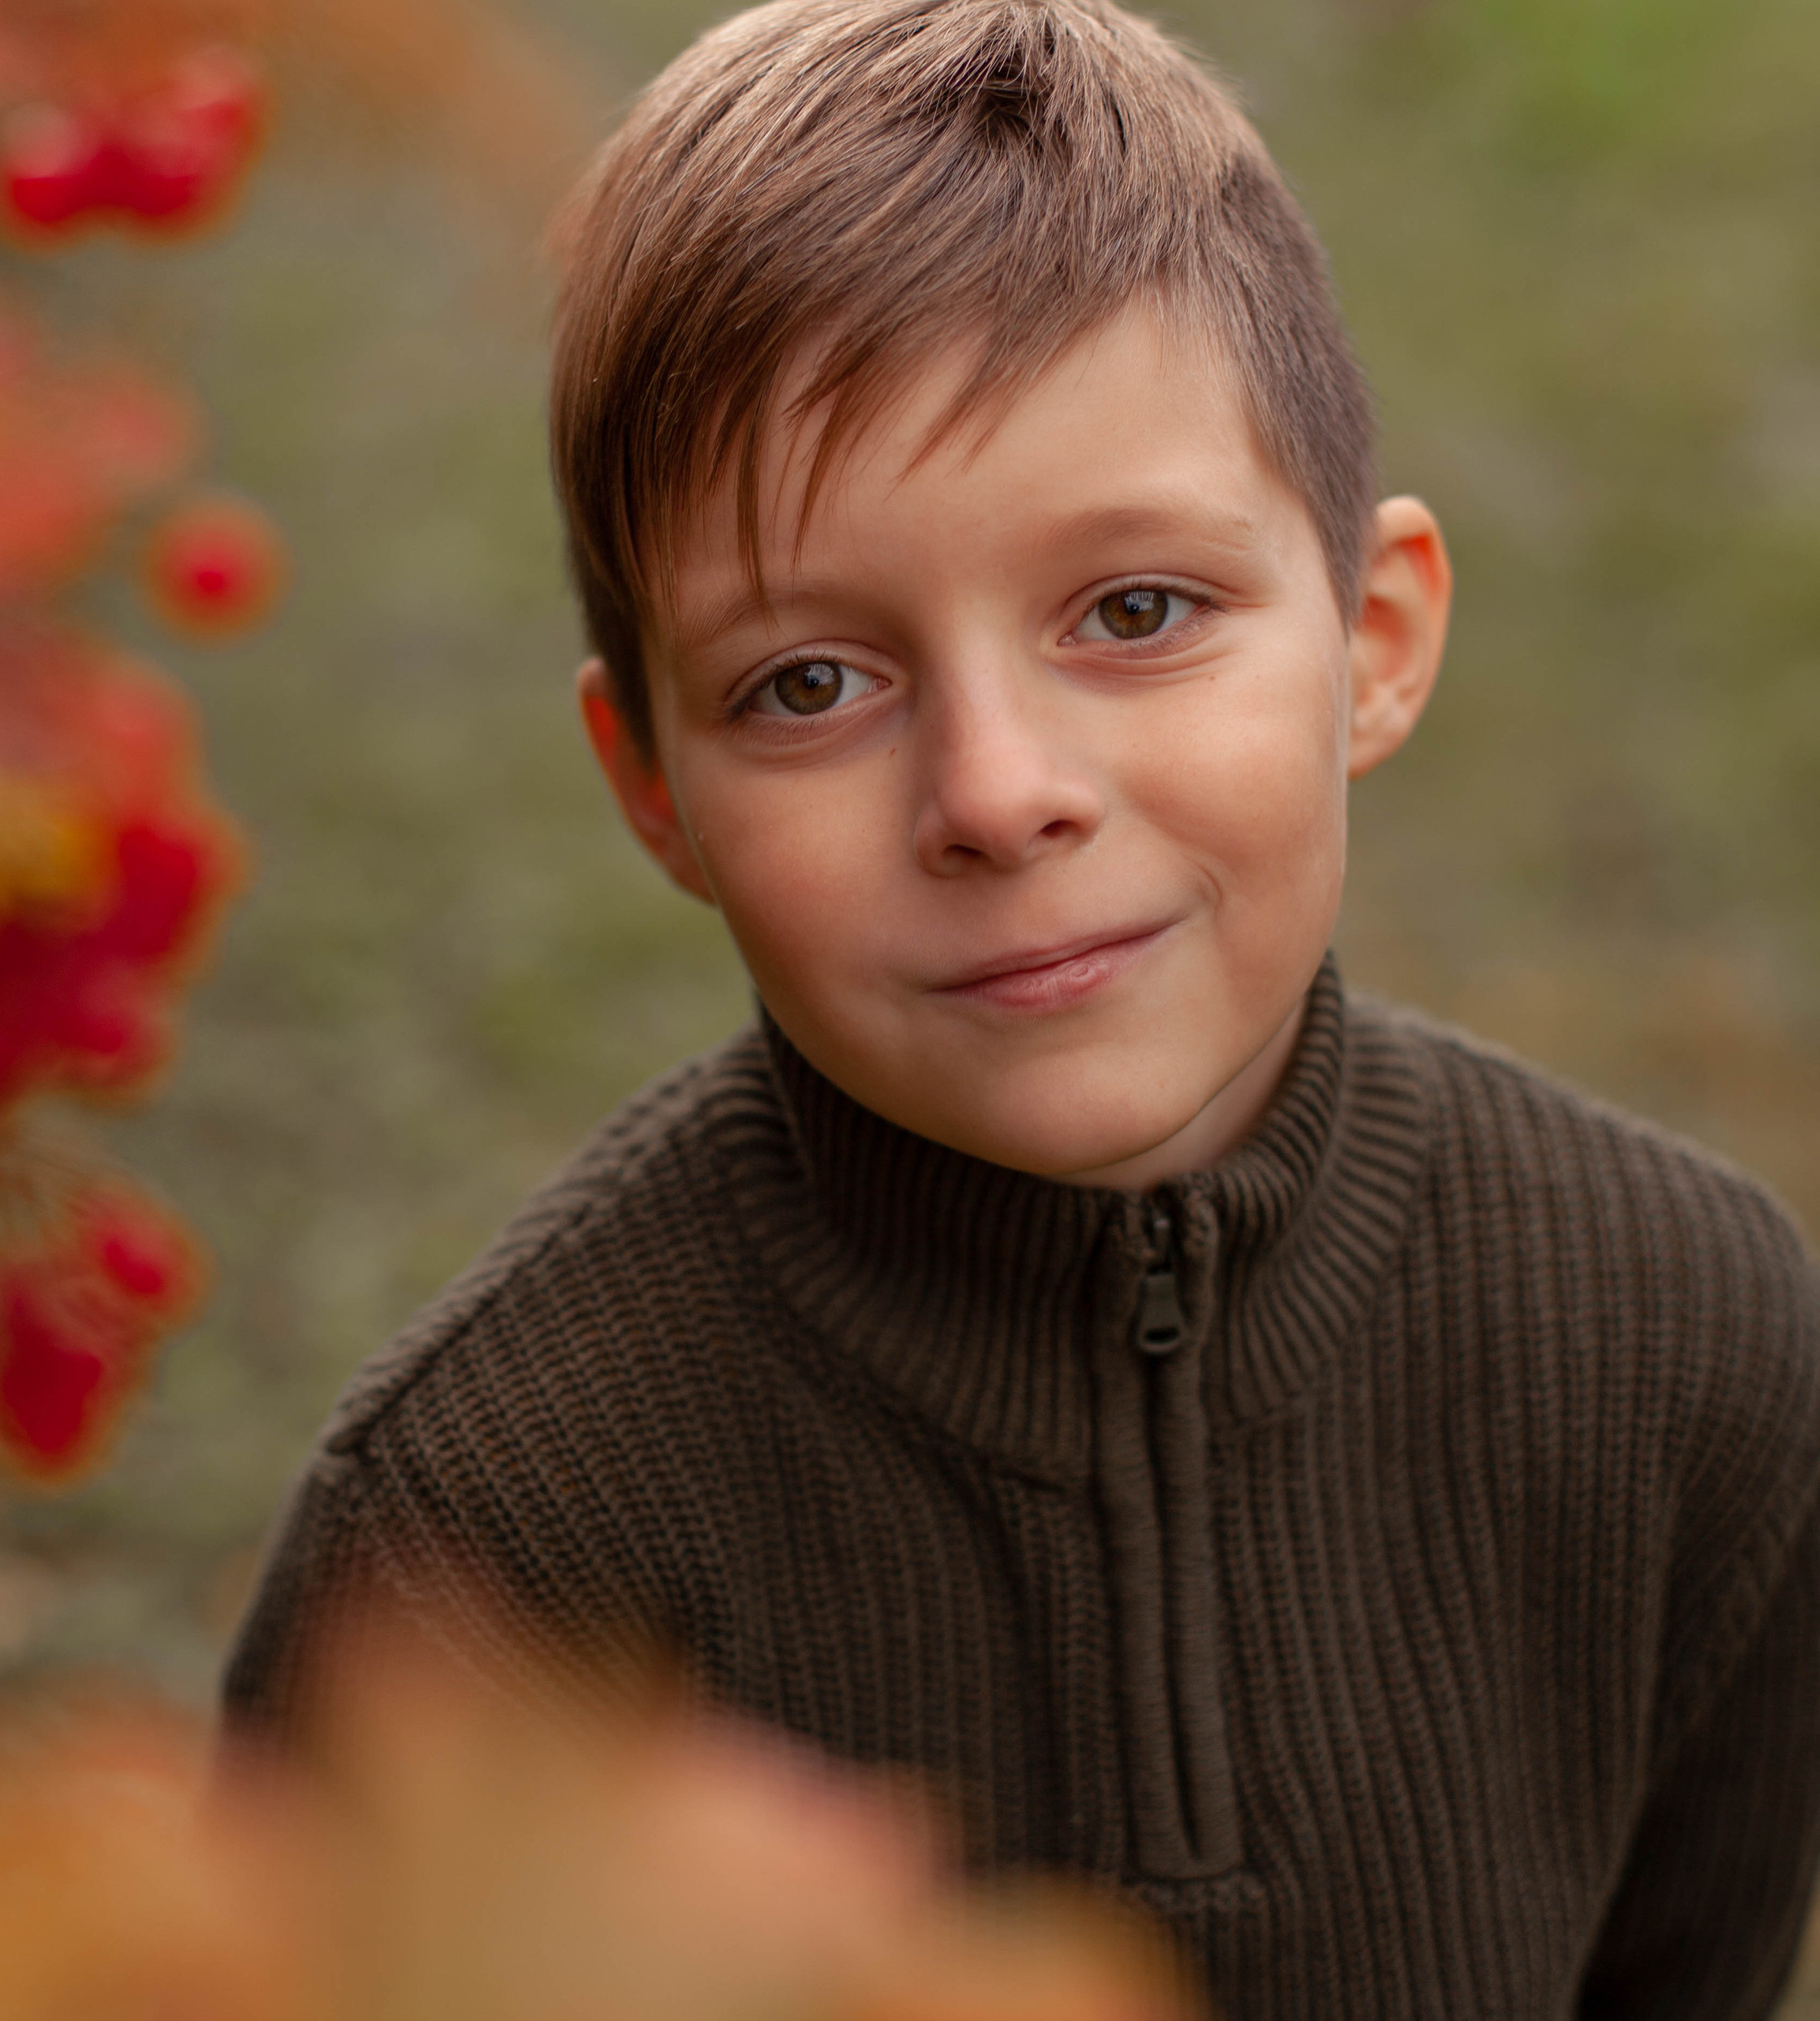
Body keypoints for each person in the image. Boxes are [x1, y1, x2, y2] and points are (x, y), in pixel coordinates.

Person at [223, 2, 1820, 2013]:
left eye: (1133, 611)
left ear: (1373, 641)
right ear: (653, 789)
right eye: (808, 681)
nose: (993, 790)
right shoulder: (478, 1557)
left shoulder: (1690, 1335)